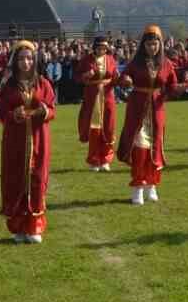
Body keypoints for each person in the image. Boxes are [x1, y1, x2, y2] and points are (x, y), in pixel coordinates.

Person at [0, 40, 56, 243]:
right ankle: (17, 227)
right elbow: (1, 112)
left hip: (39, 138)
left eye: (29, 58)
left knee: (37, 178)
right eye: (21, 58)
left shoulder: (44, 84)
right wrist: (14, 114)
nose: (26, 62)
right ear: (15, 61)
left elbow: (52, 109)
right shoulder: (8, 86)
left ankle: (35, 227)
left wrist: (43, 111)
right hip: (15, 140)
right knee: (15, 178)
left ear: (35, 60)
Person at [116, 25, 181, 205]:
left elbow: (172, 86)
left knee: (155, 147)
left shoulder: (166, 64)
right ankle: (137, 187)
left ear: (160, 44)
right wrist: (126, 80)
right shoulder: (135, 63)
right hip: (137, 108)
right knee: (140, 148)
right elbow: (122, 79)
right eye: (149, 44)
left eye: (155, 44)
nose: (152, 47)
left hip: (157, 110)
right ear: (143, 45)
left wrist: (182, 88)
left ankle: (152, 184)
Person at [76, 34, 119, 171]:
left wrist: (118, 79)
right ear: (95, 47)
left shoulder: (111, 59)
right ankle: (94, 160)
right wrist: (85, 76)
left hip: (108, 97)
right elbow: (77, 77)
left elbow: (114, 77)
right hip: (92, 97)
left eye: (104, 47)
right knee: (95, 128)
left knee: (109, 127)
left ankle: (106, 159)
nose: (102, 50)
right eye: (99, 47)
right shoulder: (86, 60)